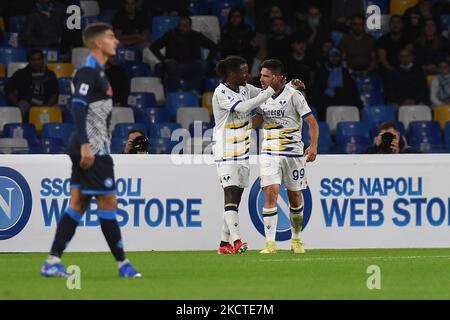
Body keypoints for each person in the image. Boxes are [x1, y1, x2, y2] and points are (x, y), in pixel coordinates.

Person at [40, 23, 142, 278]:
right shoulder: (88, 71)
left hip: (91, 145)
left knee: (78, 203)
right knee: (108, 201)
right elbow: (76, 106)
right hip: (93, 148)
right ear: (98, 43)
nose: (116, 41)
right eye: (110, 36)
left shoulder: (98, 71)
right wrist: (87, 146)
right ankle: (123, 265)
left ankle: (52, 261)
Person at [212, 56, 283, 255]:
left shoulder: (246, 89)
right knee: (230, 194)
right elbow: (244, 107)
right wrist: (270, 91)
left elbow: (262, 99)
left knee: (235, 198)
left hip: (243, 151)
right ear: (231, 74)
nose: (247, 74)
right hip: (225, 150)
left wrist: (287, 88)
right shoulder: (221, 92)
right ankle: (236, 241)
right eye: (243, 71)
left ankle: (223, 244)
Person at [253, 59, 319, 254]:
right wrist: (239, 129)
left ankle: (296, 239)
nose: (261, 79)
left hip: (293, 153)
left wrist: (313, 146)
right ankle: (270, 243)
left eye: (266, 76)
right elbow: (258, 119)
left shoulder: (295, 96)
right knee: (271, 191)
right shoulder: (261, 97)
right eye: (261, 75)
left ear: (278, 78)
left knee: (295, 197)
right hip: (269, 152)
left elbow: (312, 123)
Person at [150, 15, 218, 91]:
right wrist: (164, 59)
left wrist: (207, 60)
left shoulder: (196, 36)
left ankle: (196, 94)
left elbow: (214, 47)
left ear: (190, 26)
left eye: (185, 25)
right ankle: (175, 93)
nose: (182, 28)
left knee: (200, 66)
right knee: (170, 66)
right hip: (175, 65)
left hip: (193, 65)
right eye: (180, 25)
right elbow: (153, 47)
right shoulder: (170, 35)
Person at [4, 49, 59, 119]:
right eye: (33, 60)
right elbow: (8, 89)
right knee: (22, 106)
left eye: (39, 59)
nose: (36, 62)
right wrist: (17, 103)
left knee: (59, 109)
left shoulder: (50, 74)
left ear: (43, 60)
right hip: (27, 105)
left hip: (46, 105)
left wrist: (45, 108)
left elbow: (54, 94)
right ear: (29, 61)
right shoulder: (20, 74)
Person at [311, 48, 361, 121]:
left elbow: (351, 89)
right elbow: (317, 89)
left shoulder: (345, 72)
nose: (334, 58)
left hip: (343, 97)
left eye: (336, 56)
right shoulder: (321, 71)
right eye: (331, 56)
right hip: (326, 99)